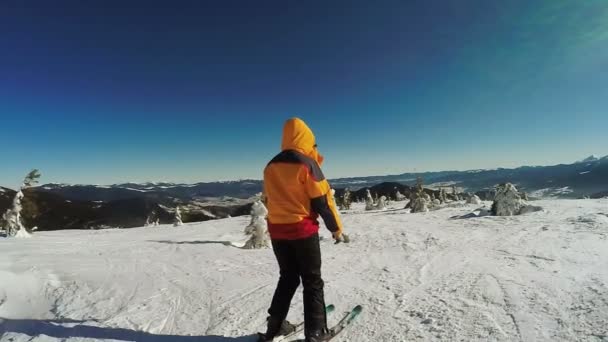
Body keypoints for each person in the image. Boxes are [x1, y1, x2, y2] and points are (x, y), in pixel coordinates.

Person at [260, 117, 346, 342]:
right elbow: (322, 201)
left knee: (287, 277)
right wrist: (336, 229)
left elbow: (268, 199)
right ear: (307, 139)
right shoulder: (308, 163)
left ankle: (274, 326)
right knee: (312, 280)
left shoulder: (271, 165)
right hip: (302, 231)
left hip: (277, 230)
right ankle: (316, 333)